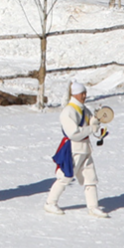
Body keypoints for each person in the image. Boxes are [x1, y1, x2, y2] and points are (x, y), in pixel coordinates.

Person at [44, 81, 108, 218]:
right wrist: (91, 129)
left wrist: (95, 121)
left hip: (86, 149)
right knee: (65, 177)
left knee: (90, 179)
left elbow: (91, 120)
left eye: (85, 93)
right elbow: (74, 132)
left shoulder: (84, 109)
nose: (84, 95)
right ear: (75, 94)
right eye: (82, 93)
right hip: (73, 149)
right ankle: (50, 203)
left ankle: (93, 206)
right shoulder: (68, 111)